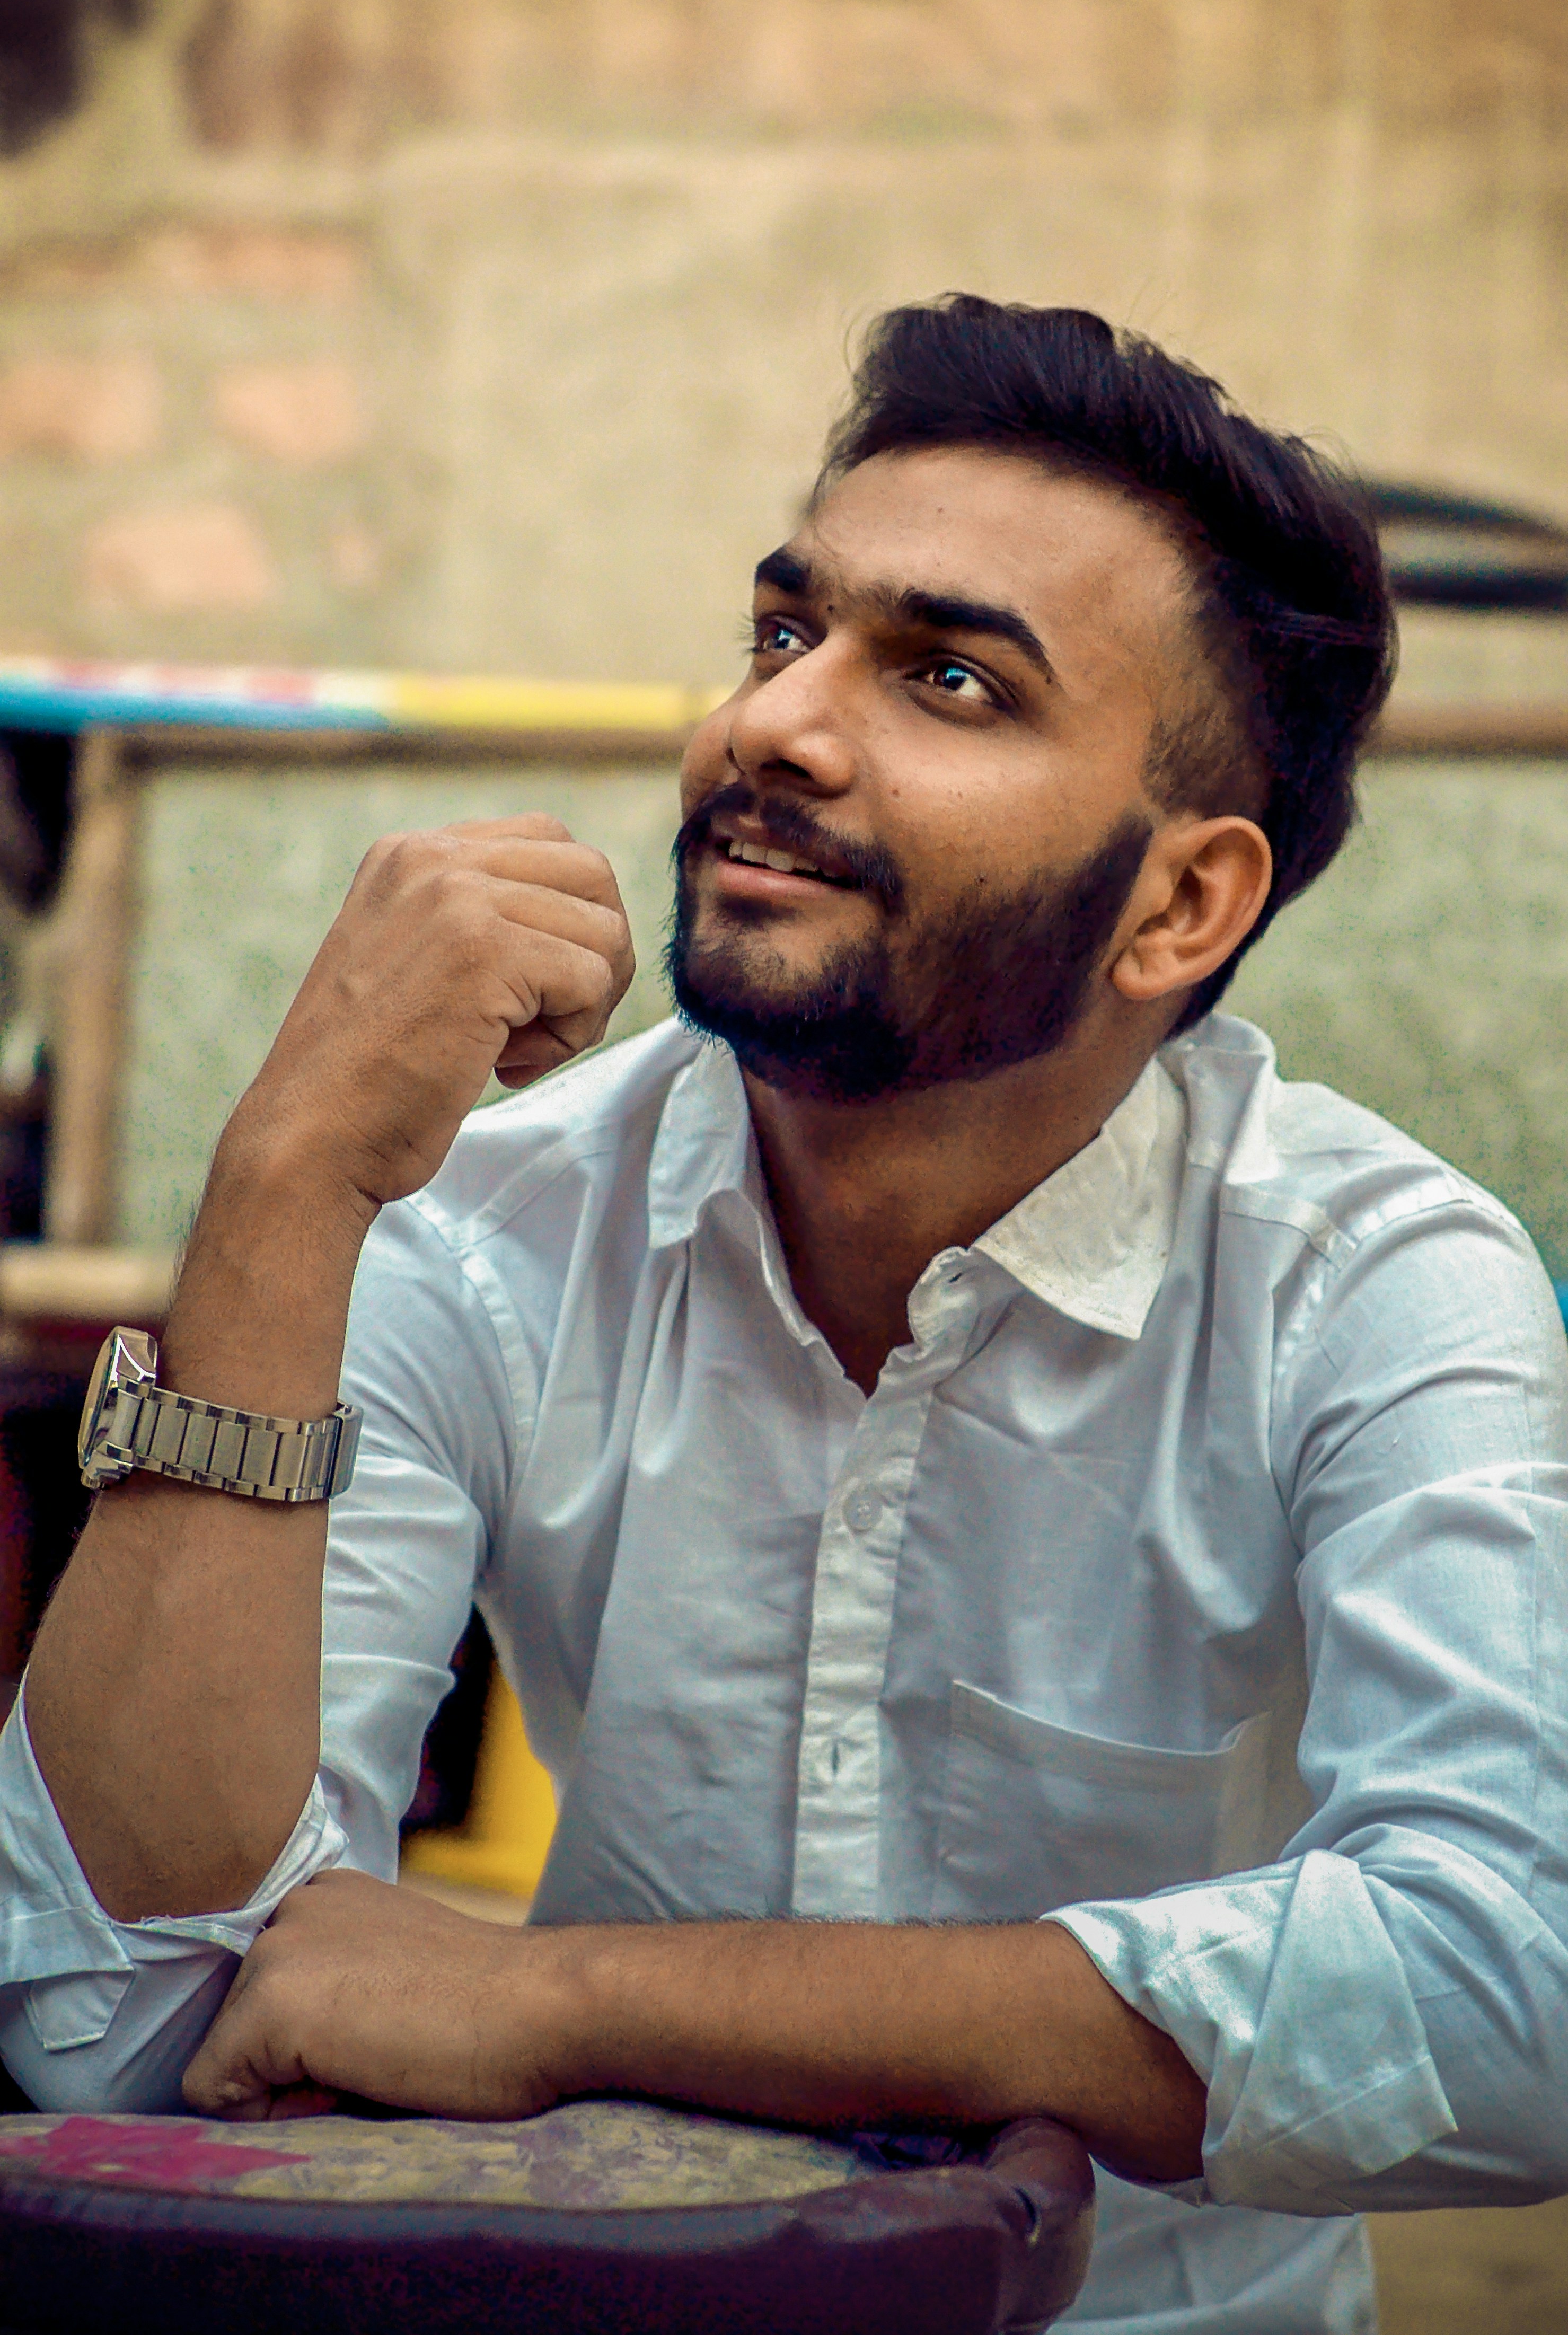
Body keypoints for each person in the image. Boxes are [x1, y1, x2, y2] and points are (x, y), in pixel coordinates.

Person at [4, 297, 1567, 2334]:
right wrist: (280, 1180)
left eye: (949, 678)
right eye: (781, 631)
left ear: (1181, 906)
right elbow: (120, 2016)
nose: (774, 725)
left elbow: (1508, 1987)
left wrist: (558, 1996)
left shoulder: (1374, 1283)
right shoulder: (482, 1225)